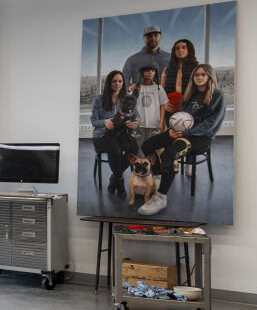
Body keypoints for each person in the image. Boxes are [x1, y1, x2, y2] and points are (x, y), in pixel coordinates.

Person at [137, 64, 225, 215]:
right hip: (181, 132)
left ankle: (161, 197)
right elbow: (180, 117)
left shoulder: (217, 95)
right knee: (147, 145)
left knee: (169, 154)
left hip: (201, 137)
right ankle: (158, 176)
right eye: (196, 75)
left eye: (203, 74)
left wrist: (185, 133)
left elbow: (211, 123)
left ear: (209, 77)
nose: (199, 77)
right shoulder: (189, 95)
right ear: (193, 78)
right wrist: (173, 130)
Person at [90, 70, 137, 199]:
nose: (117, 84)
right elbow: (94, 121)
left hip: (121, 133)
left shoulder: (127, 99)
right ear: (109, 83)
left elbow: (135, 116)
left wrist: (134, 123)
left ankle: (114, 178)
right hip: (102, 135)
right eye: (114, 81)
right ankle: (120, 182)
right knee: (115, 150)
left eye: (120, 81)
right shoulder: (99, 99)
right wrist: (104, 122)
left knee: (133, 148)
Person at [159, 38, 199, 127]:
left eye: (183, 47)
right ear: (174, 51)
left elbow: (201, 91)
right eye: (177, 48)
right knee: (172, 135)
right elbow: (162, 90)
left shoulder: (196, 68)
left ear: (189, 49)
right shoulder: (168, 69)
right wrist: (165, 104)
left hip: (189, 108)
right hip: (171, 107)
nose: (180, 50)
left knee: (188, 135)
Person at [133, 63, 164, 151]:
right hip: (139, 125)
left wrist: (161, 122)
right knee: (139, 149)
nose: (150, 73)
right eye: (147, 71)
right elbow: (131, 104)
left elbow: (163, 105)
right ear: (142, 73)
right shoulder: (137, 88)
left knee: (152, 150)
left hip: (154, 125)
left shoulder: (159, 88)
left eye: (153, 71)